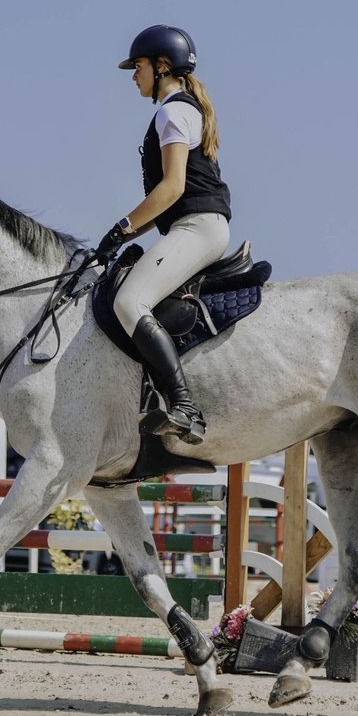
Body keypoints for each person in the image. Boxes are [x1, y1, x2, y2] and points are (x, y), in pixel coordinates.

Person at [96, 24, 233, 445]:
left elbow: (171, 188)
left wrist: (123, 226)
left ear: (161, 67)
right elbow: (171, 199)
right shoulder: (182, 109)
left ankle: (184, 406)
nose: (132, 75)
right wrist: (126, 233)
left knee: (129, 301)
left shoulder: (172, 111)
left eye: (137, 66)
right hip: (194, 224)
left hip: (198, 226)